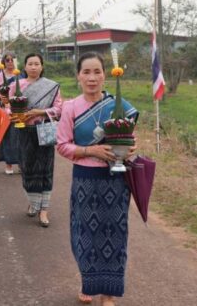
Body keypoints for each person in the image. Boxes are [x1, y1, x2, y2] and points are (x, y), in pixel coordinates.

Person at [56, 52, 139, 306]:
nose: (92, 78)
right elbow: (62, 145)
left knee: (114, 234)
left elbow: (130, 139)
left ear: (105, 75)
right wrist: (90, 150)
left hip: (115, 180)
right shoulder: (70, 107)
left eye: (97, 72)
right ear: (78, 76)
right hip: (85, 179)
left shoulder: (119, 105)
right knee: (85, 234)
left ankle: (108, 294)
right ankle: (88, 282)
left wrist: (131, 148)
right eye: (86, 72)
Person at [5, 53, 62, 227]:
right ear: (25, 66)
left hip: (44, 130)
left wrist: (40, 112)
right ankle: (33, 202)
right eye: (30, 64)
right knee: (27, 168)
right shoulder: (16, 85)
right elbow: (8, 106)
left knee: (46, 169)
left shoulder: (51, 86)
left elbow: (59, 108)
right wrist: (14, 115)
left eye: (37, 64)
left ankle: (44, 209)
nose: (33, 67)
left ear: (42, 66)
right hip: (24, 131)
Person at [0, 53, 19, 174]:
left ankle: (21, 163)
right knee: (7, 137)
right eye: (7, 60)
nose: (10, 62)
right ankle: (9, 164)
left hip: (19, 110)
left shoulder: (20, 75)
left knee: (20, 137)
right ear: (3, 62)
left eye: (12, 60)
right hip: (4, 111)